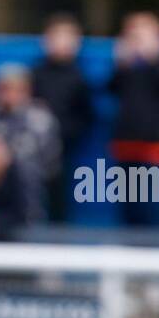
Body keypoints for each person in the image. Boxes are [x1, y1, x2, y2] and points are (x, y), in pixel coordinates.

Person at [0, 64, 61, 224]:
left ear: (28, 91)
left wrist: (10, 160)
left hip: (30, 196)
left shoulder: (41, 119)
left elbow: (51, 164)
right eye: (4, 89)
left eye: (17, 90)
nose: (10, 95)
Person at [108, 11, 159, 226]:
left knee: (154, 205)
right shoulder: (127, 65)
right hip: (126, 143)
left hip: (156, 144)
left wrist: (153, 57)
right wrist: (122, 64)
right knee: (128, 205)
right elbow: (112, 88)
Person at [31, 13, 92, 222]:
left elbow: (86, 116)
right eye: (56, 37)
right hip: (31, 151)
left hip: (64, 152)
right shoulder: (36, 74)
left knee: (60, 202)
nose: (61, 44)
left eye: (67, 38)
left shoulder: (79, 78)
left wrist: (62, 134)